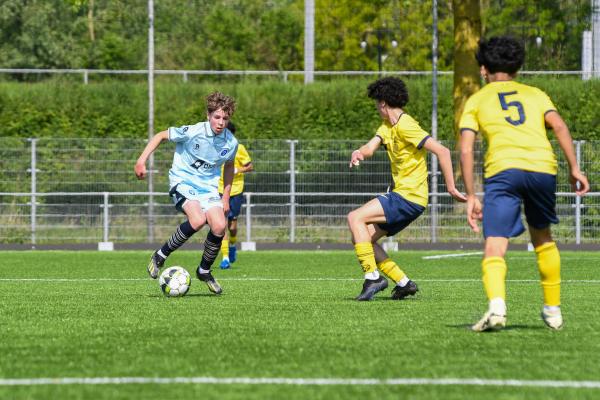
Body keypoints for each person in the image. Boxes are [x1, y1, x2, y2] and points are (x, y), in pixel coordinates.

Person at [459, 36, 590, 331]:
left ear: (483, 69)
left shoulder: (477, 100)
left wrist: (470, 195)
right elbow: (558, 125)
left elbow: (466, 147)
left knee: (495, 243)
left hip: (503, 171)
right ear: (518, 68)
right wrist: (575, 168)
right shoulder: (535, 94)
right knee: (543, 236)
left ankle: (497, 308)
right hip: (543, 168)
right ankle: (553, 311)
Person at [348, 77, 466, 301]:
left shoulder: (406, 125)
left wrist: (451, 188)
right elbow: (371, 147)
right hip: (405, 198)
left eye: (376, 104)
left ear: (383, 103)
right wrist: (359, 153)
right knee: (362, 238)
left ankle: (373, 278)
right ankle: (404, 283)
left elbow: (443, 151)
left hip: (408, 197)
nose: (376, 108)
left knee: (355, 217)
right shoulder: (387, 127)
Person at [134, 92, 239, 295]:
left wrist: (225, 196)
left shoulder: (230, 143)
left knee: (219, 226)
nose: (221, 122)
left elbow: (229, 166)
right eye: (217, 117)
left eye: (225, 118)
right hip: (183, 181)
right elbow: (160, 136)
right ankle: (160, 255)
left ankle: (204, 270)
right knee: (198, 220)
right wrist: (141, 160)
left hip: (208, 188)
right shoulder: (193, 131)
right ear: (208, 115)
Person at [217, 122, 254, 269]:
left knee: (232, 226)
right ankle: (225, 257)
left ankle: (232, 244)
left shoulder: (239, 148)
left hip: (236, 190)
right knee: (222, 224)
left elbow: (250, 166)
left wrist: (237, 170)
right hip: (219, 190)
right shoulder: (215, 147)